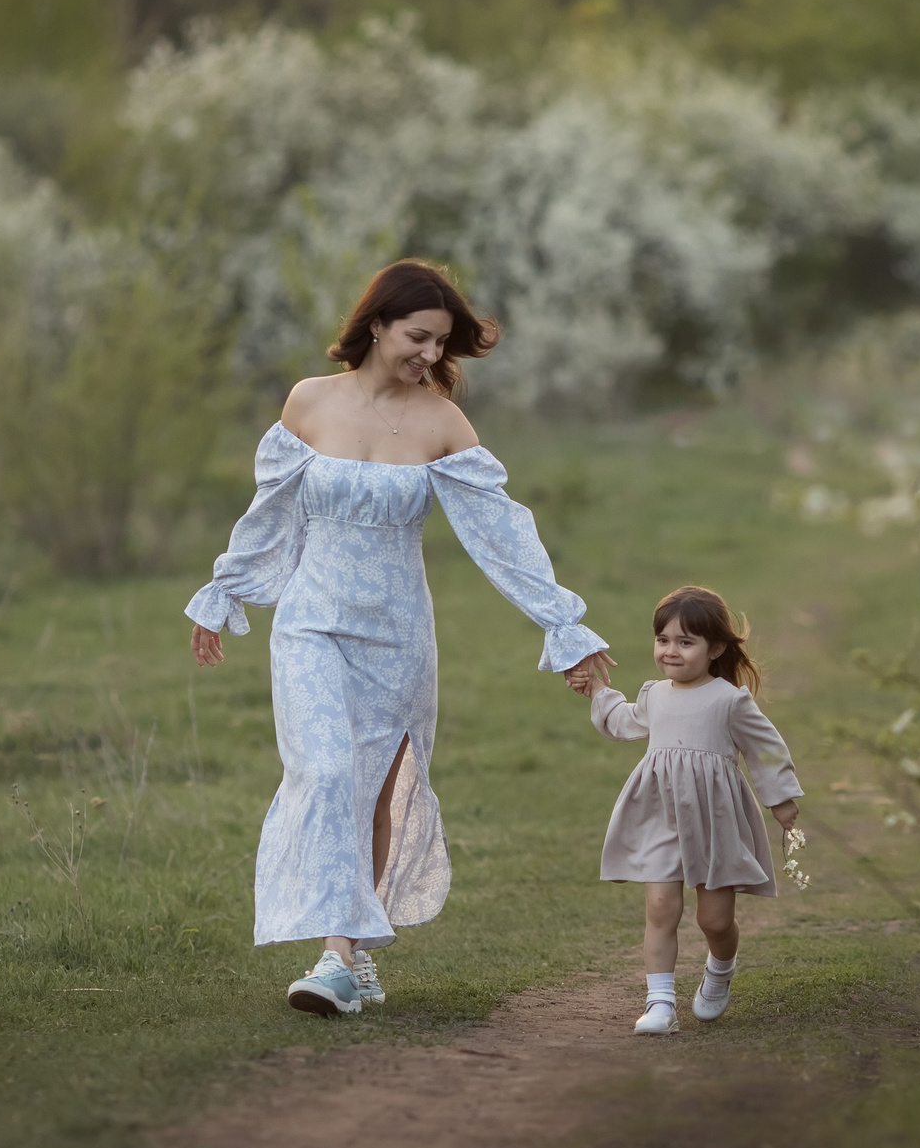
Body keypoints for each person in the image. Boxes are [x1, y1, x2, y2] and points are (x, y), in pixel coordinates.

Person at [187, 259, 613, 1015]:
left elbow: (503, 534)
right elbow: (271, 511)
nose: (427, 353)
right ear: (377, 323)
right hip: (312, 621)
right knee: (323, 770)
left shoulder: (442, 421)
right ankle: (336, 959)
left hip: (398, 633)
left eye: (440, 342)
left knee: (379, 791)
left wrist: (565, 625)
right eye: (418, 336)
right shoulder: (309, 402)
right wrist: (225, 590)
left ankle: (350, 952)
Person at [579, 586, 802, 1034]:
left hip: (714, 822)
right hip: (659, 815)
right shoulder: (655, 695)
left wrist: (780, 800)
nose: (671, 651)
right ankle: (660, 1002)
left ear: (715, 647)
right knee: (661, 906)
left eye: (686, 642)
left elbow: (765, 748)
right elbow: (624, 721)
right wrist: (598, 690)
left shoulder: (729, 700)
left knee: (714, 921)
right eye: (663, 640)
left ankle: (720, 968)